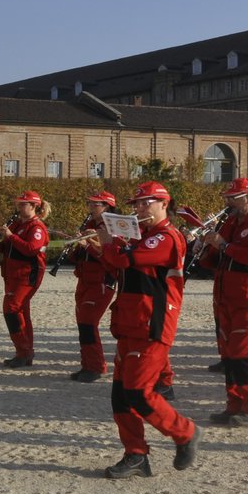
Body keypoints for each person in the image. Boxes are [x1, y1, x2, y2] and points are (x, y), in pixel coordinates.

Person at [87, 181, 199, 478]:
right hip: (131, 322)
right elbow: (119, 268)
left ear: (164, 204)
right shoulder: (145, 236)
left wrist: (111, 243)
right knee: (121, 396)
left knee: (138, 391)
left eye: (145, 203)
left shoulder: (165, 236)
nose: (138, 209)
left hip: (151, 324)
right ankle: (136, 454)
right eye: (136, 204)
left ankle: (184, 433)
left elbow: (126, 259)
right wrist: (105, 247)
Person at [199, 177, 248, 426]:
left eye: (234, 198)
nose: (228, 203)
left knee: (242, 354)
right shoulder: (231, 222)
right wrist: (203, 248)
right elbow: (214, 261)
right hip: (226, 298)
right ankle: (234, 405)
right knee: (229, 354)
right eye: (228, 198)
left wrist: (223, 244)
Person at [0, 190, 49, 368]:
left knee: (12, 308)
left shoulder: (36, 227)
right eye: (19, 203)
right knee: (21, 311)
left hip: (27, 273)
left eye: (23, 204)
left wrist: (10, 236)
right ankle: (25, 352)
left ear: (33, 206)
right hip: (13, 273)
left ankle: (23, 350)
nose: (19, 206)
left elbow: (31, 248)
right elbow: (10, 248)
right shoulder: (16, 224)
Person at [65, 191, 118, 381]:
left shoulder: (111, 227)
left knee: (88, 322)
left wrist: (87, 244)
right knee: (83, 323)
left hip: (102, 281)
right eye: (90, 204)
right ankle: (87, 364)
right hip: (85, 279)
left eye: (95, 204)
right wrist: (76, 247)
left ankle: (96, 366)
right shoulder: (91, 225)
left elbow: (110, 257)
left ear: (107, 206)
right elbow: (82, 256)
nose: (90, 207)